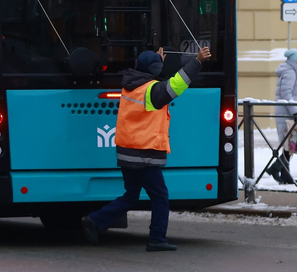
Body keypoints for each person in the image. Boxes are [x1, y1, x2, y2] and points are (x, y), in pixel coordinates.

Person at [82, 44, 212, 252]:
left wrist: (157, 61)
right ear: (152, 70)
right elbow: (176, 85)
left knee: (131, 195)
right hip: (144, 154)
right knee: (160, 196)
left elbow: (158, 80)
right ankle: (157, 238)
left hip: (127, 152)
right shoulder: (152, 93)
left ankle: (95, 221)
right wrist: (197, 61)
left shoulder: (131, 85)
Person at [266, 49, 297, 185]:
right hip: (287, 114)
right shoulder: (290, 72)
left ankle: (285, 174)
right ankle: (274, 168)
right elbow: (286, 94)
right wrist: (295, 112)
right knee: (291, 144)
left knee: (289, 145)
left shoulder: (290, 71)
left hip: (287, 112)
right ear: (295, 61)